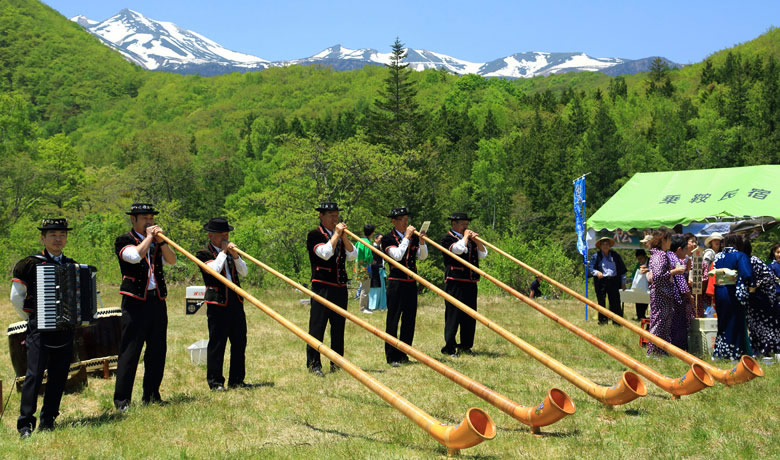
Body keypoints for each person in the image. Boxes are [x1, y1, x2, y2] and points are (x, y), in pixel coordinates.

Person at [10, 218, 76, 438]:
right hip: (39, 328)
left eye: (62, 235)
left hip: (66, 328)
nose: (58, 239)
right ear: (43, 238)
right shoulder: (28, 264)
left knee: (59, 374)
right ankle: (25, 424)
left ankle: (49, 419)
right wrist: (33, 319)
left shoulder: (73, 265)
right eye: (53, 235)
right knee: (34, 374)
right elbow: (16, 298)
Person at [113, 203, 177, 411]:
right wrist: (149, 238)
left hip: (157, 300)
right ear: (134, 220)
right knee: (130, 351)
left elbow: (172, 260)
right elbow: (134, 257)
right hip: (134, 302)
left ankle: (151, 394)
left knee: (157, 350)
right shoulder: (124, 240)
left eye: (151, 218)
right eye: (144, 218)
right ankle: (122, 401)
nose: (149, 222)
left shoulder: (158, 242)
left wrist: (162, 242)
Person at [195, 218, 250, 391]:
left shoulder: (231, 252)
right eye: (221, 235)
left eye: (226, 234)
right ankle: (216, 382)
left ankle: (237, 380)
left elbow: (244, 272)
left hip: (236, 301)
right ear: (211, 236)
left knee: (239, 342)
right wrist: (224, 252)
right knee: (217, 343)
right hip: (217, 303)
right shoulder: (202, 253)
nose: (225, 238)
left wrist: (235, 256)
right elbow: (214, 270)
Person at [305, 202, 356, 377]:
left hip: (340, 287)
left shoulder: (340, 236)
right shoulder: (314, 235)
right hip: (322, 287)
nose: (335, 219)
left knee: (338, 327)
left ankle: (337, 362)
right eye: (331, 216)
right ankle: (314, 364)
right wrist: (336, 235)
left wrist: (344, 237)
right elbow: (325, 253)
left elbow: (352, 255)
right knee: (317, 327)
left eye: (336, 215)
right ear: (321, 216)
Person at [381, 207, 427, 367]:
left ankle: (404, 353)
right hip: (396, 283)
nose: (406, 222)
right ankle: (391, 356)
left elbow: (422, 256)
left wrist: (421, 242)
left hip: (410, 283)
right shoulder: (387, 239)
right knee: (393, 320)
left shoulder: (413, 238)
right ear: (394, 221)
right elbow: (397, 256)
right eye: (402, 220)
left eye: (407, 219)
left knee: (409, 319)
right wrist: (407, 237)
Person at [439, 212, 487, 357]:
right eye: (463, 224)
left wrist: (477, 241)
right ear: (454, 224)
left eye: (467, 224)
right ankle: (449, 346)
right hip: (455, 282)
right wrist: (466, 237)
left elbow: (483, 254)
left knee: (469, 315)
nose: (466, 227)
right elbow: (458, 250)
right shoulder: (447, 239)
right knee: (453, 315)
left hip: (470, 281)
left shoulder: (471, 240)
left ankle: (466, 345)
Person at [711, 233, 752, 361]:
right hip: (733, 291)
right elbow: (747, 274)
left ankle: (720, 352)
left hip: (720, 290)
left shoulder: (718, 256)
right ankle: (734, 354)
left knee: (723, 321)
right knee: (735, 321)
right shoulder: (740, 255)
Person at [646, 229, 685, 356]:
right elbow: (658, 277)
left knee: (663, 324)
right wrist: (674, 272)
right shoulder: (660, 255)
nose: (670, 242)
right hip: (661, 295)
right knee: (659, 323)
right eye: (669, 239)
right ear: (663, 239)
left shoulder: (660, 254)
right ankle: (653, 352)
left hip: (663, 294)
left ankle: (661, 351)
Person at [743, 238, 780, 357]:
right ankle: (757, 351)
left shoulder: (754, 260)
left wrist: (757, 284)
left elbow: (768, 279)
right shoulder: (743, 260)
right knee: (754, 327)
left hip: (763, 299)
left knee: (767, 328)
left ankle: (768, 351)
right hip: (752, 299)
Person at [588, 237, 627, 325]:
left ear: (610, 246)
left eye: (607, 244)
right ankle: (602, 321)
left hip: (614, 281)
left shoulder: (615, 255)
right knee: (601, 301)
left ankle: (617, 322)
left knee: (615, 302)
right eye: (603, 244)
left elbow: (622, 270)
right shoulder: (596, 256)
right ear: (600, 246)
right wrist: (597, 272)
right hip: (601, 281)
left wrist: (623, 283)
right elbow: (590, 268)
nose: (605, 246)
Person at [669, 234, 693, 350]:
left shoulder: (668, 256)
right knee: (678, 323)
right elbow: (680, 280)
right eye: (685, 250)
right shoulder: (675, 260)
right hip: (676, 296)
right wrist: (689, 295)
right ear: (679, 249)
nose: (686, 253)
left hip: (669, 295)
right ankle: (678, 348)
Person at [354, 224, 375, 314]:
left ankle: (366, 306)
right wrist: (371, 261)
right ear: (372, 233)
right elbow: (368, 256)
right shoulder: (367, 242)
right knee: (365, 288)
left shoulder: (359, 241)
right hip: (365, 267)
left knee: (363, 286)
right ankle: (363, 308)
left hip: (357, 265)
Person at [368, 233, 387, 311]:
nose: (381, 240)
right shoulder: (372, 248)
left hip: (381, 270)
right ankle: (373, 305)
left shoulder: (381, 248)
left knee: (382, 289)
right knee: (375, 288)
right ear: (375, 239)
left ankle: (381, 305)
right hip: (374, 270)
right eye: (380, 238)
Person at [632, 249, 650, 320]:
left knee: (645, 301)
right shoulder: (638, 264)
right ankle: (640, 316)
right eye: (638, 259)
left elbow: (656, 270)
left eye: (641, 258)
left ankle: (643, 316)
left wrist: (647, 270)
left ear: (645, 256)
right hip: (640, 287)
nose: (640, 261)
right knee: (639, 300)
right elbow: (634, 275)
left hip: (649, 286)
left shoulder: (651, 261)